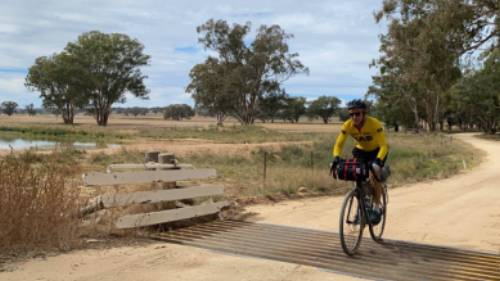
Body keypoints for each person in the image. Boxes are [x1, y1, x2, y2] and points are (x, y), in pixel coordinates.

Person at [331, 99, 389, 223]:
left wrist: (378, 161)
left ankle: (377, 207)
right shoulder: (347, 125)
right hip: (361, 151)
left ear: (364, 113)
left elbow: (384, 145)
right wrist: (336, 157)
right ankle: (361, 207)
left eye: (357, 114)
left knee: (375, 174)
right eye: (351, 114)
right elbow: (338, 145)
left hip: (377, 151)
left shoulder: (374, 123)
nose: (354, 117)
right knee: (356, 174)